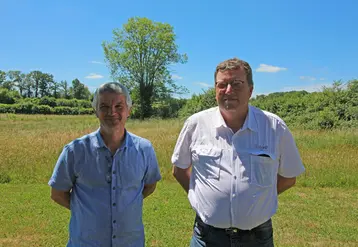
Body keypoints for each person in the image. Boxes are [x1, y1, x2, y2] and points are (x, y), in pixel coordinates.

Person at [171, 58, 305, 247]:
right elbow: (179, 170)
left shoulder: (274, 127)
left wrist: (259, 198)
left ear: (251, 89)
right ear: (215, 89)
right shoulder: (195, 124)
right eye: (222, 84)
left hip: (257, 238)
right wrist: (200, 196)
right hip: (206, 237)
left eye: (236, 84)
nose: (228, 90)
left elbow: (289, 178)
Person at [48, 82, 162, 247]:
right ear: (96, 111)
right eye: (104, 106)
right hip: (86, 242)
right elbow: (57, 193)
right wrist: (87, 212)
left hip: (130, 242)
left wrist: (123, 204)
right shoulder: (75, 150)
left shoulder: (144, 149)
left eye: (119, 106)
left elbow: (150, 186)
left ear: (129, 110)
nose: (112, 112)